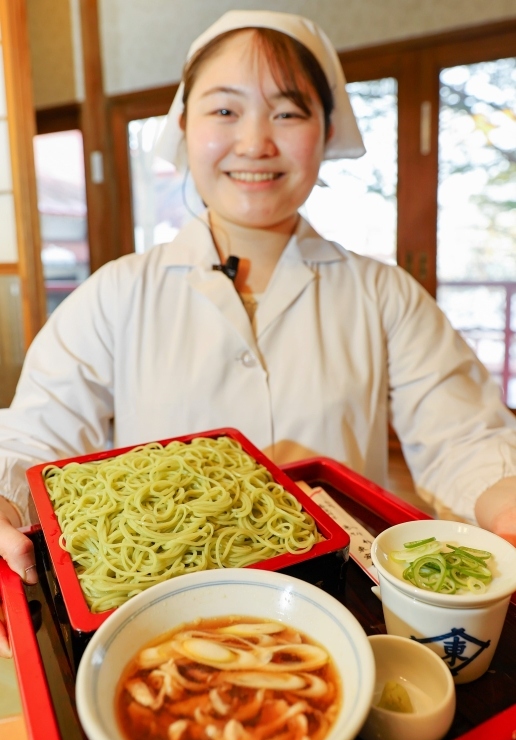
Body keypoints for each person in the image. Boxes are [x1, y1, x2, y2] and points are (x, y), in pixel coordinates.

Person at [1, 9, 516, 657]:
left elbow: (466, 435)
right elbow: (36, 436)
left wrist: (506, 506)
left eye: (288, 112)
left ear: (326, 130)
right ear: (183, 127)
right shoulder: (116, 293)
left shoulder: (384, 293)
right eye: (224, 110)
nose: (254, 142)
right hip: (162, 631)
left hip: (338, 615)